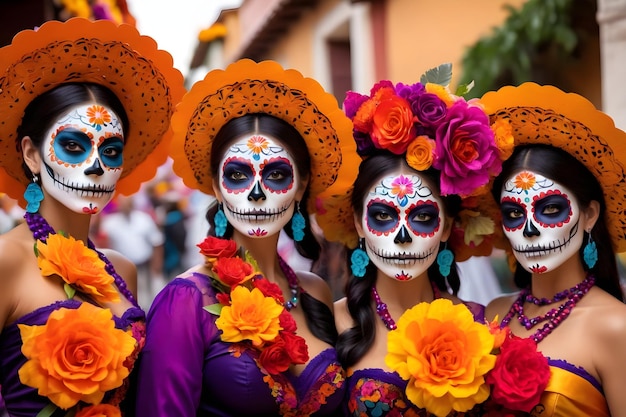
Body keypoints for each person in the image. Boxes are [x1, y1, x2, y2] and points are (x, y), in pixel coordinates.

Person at [135, 59, 359, 416]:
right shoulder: (185, 301)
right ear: (215, 188)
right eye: (238, 175)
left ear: (300, 186)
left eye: (276, 174)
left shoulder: (314, 291)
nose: (256, 193)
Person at [0, 17, 184, 416]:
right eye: (72, 145)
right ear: (31, 153)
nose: (97, 165)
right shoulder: (6, 261)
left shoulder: (121, 269)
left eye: (112, 150)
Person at [315, 67, 505, 415]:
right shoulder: (329, 323)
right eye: (383, 216)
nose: (403, 237)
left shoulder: (480, 324)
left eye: (422, 217)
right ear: (358, 223)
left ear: (447, 227)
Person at [482, 82, 626, 416]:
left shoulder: (616, 327)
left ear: (589, 215)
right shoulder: (492, 315)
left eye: (550, 210)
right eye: (515, 214)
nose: (530, 230)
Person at [100, 194, 165, 308]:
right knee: (129, 296)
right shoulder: (110, 223)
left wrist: (157, 264)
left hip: (144, 264)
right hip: (122, 267)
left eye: (128, 202)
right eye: (123, 202)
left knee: (148, 294)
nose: (126, 205)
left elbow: (157, 242)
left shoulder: (143, 218)